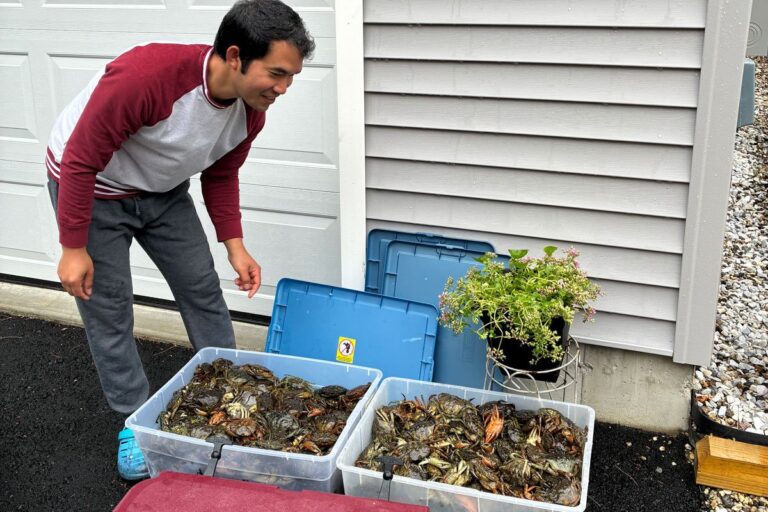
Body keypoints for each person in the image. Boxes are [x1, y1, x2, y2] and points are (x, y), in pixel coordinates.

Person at [45, 0, 314, 480]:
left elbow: (221, 174)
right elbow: (80, 159)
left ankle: (234, 393)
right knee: (109, 311)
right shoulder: (147, 76)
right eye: (276, 73)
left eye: (291, 77)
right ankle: (134, 422)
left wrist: (235, 246)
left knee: (202, 288)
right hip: (92, 188)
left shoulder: (251, 111)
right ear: (235, 56)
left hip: (162, 191)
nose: (283, 88)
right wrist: (73, 247)